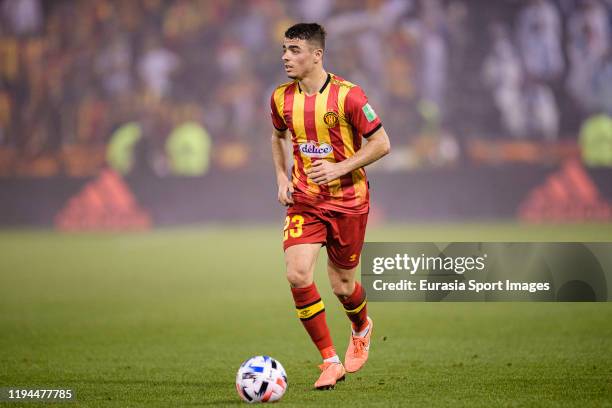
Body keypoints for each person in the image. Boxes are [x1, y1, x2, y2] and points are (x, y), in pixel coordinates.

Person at [269, 23, 390, 390]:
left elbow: (382, 143)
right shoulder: (280, 98)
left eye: (294, 50)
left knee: (342, 285)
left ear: (316, 55)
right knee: (297, 274)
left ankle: (361, 325)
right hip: (305, 200)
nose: (286, 56)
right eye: (285, 50)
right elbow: (277, 136)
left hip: (349, 203)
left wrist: (339, 166)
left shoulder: (349, 96)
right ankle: (329, 360)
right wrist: (280, 177)